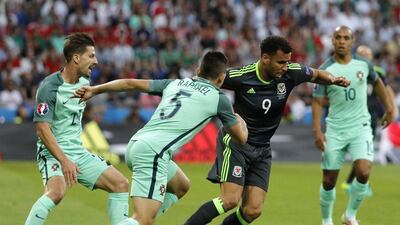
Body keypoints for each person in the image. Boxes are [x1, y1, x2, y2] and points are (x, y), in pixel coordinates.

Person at [184, 35, 350, 225]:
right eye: (281, 62)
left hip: (263, 149)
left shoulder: (291, 73)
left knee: (252, 211)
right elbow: (206, 81)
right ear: (265, 58)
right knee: (230, 200)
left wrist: (334, 79)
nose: (285, 67)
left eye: (288, 62)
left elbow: (317, 74)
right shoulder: (241, 76)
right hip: (238, 143)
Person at [74, 51, 249, 225]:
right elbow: (241, 138)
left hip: (137, 144)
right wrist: (241, 121)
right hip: (153, 154)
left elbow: (129, 83)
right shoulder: (218, 98)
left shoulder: (175, 83)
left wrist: (95, 90)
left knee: (181, 185)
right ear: (221, 78)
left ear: (198, 70)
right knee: (143, 219)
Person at [25, 33, 129, 225]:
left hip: (78, 152)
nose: (96, 61)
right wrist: (64, 160)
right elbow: (42, 130)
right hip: (53, 154)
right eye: (91, 56)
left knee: (120, 184)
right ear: (76, 58)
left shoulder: (84, 82)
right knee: (56, 192)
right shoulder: (49, 87)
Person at [312, 26, 395, 225]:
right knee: (329, 180)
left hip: (361, 127)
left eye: (346, 38)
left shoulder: (364, 65)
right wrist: (317, 131)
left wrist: (390, 108)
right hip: (335, 129)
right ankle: (326, 220)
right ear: (332, 41)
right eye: (338, 37)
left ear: (352, 41)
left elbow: (378, 85)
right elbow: (316, 101)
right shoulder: (325, 69)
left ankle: (349, 215)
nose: (342, 41)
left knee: (364, 171)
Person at [341, 45, 398, 193]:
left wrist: (391, 109)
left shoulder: (378, 72)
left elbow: (387, 89)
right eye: (361, 54)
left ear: (371, 57)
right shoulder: (349, 70)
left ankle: (354, 182)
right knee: (362, 151)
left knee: (365, 150)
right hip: (353, 116)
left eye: (367, 55)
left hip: (370, 116)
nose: (365, 57)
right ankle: (357, 183)